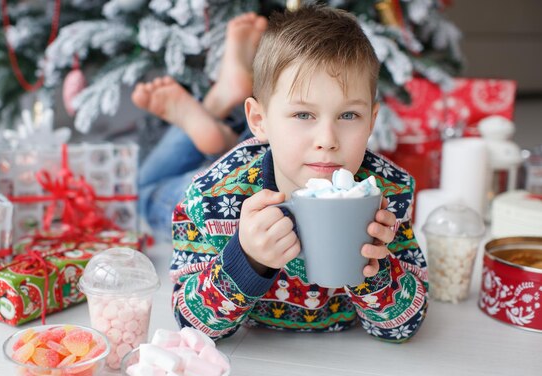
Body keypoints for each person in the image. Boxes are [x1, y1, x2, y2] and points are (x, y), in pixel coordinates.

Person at [169, 5, 429, 343]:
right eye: (304, 115)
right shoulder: (213, 198)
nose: (327, 141)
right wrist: (246, 259)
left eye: (349, 115)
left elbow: (403, 327)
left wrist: (376, 270)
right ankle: (203, 111)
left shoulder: (389, 195)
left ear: (372, 121)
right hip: (199, 183)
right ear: (259, 121)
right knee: (152, 191)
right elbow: (189, 326)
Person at [133, 13, 267, 241]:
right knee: (142, 189)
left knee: (141, 194)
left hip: (231, 208)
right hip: (255, 175)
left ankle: (218, 111)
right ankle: (225, 133)